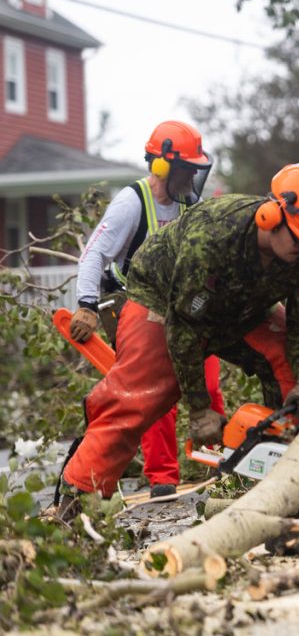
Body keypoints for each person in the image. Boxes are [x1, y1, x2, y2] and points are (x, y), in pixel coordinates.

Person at [55, 162, 299, 517]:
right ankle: (77, 496)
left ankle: (288, 491)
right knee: (143, 389)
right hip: (163, 298)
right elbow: (186, 327)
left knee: (290, 362)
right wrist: (200, 409)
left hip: (242, 305)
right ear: (270, 216)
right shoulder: (214, 236)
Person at [69, 120, 224, 499]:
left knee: (208, 384)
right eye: (186, 168)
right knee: (152, 396)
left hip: (185, 308)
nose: (191, 176)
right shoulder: (131, 202)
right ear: (161, 166)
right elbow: (93, 255)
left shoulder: (191, 204)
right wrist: (87, 304)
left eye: (194, 169)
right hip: (139, 307)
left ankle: (223, 464)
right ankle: (162, 480)